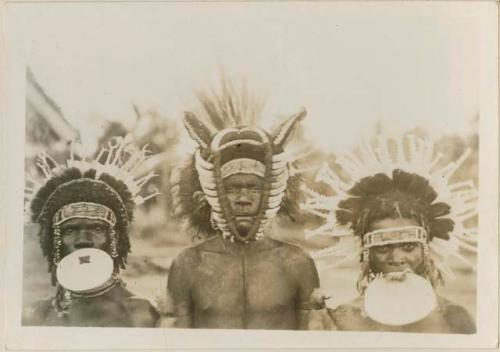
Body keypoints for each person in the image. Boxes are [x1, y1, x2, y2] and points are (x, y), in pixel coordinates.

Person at [163, 83, 320, 329]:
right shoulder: (187, 264)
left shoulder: (297, 263)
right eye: (232, 188)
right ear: (211, 192)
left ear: (272, 193)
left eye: (254, 188)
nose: (243, 198)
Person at [302, 135, 477, 333]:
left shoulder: (455, 319)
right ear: (366, 254)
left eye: (409, 247)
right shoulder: (342, 320)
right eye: (383, 248)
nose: (396, 259)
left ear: (426, 249)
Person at [23, 137, 160, 327]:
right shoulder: (36, 316)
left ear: (116, 240)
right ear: (53, 242)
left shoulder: (140, 315)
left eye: (97, 228)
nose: (83, 240)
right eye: (70, 229)